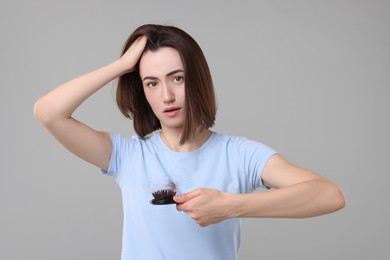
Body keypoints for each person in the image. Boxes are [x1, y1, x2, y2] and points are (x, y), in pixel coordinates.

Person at [34, 24, 345, 260]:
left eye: (177, 78)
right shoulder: (128, 155)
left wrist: (230, 206)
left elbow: (329, 195)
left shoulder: (239, 154)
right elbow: (48, 112)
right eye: (151, 83)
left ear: (197, 80)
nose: (166, 95)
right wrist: (122, 66)